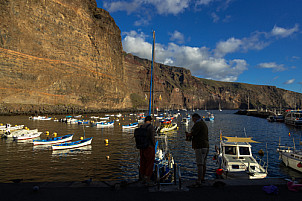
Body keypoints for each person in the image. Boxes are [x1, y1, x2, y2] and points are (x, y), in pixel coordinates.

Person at [185, 113, 209, 187]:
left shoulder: (198, 124)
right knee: (204, 164)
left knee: (200, 164)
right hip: (206, 146)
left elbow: (193, 133)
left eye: (193, 120)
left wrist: (188, 134)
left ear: (195, 118)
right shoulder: (203, 124)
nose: (193, 121)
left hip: (200, 146)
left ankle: (199, 180)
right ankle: (202, 178)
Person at [139, 115, 156, 186]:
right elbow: (152, 137)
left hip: (142, 147)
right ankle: (148, 179)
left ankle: (142, 178)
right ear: (150, 120)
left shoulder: (141, 126)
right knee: (149, 163)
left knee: (143, 162)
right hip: (149, 147)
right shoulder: (150, 127)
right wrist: (154, 144)